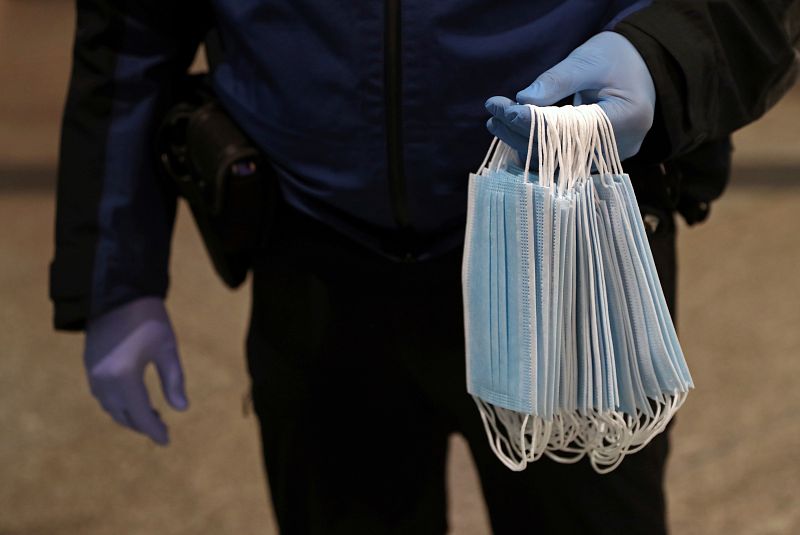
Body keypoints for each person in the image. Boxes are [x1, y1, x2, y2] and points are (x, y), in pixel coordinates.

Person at [50, 1, 798, 533]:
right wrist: (116, 275)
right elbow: (129, 23)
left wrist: (659, 54)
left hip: (569, 251)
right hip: (312, 255)